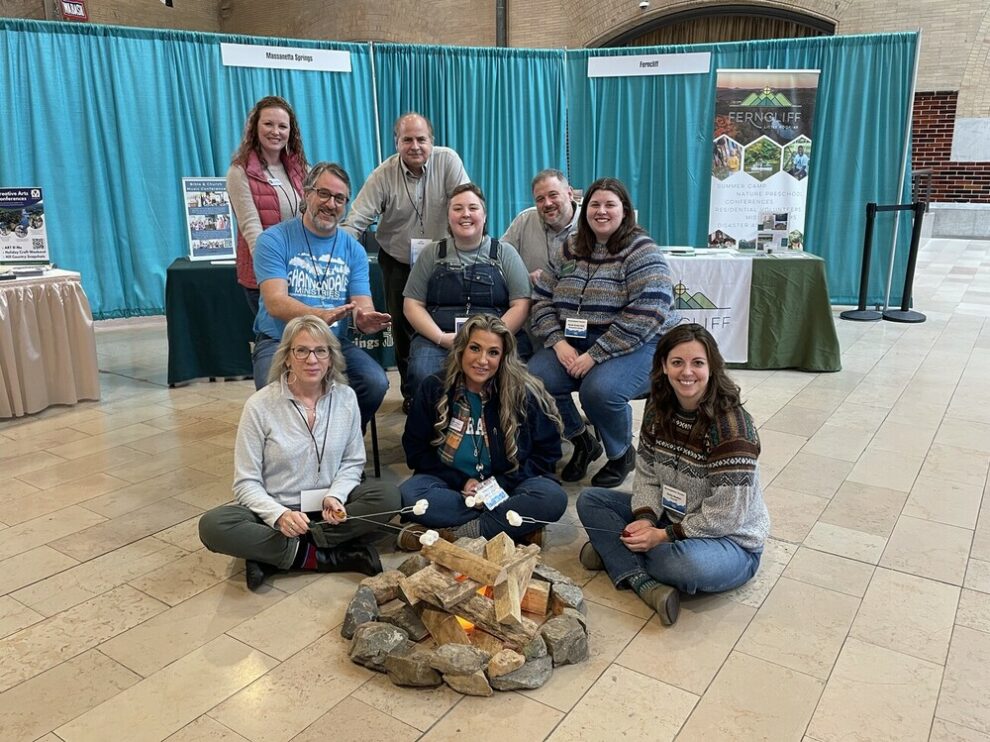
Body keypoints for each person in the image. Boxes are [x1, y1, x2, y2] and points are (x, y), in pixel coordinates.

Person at [576, 324, 770, 625]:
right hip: (670, 516)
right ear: (664, 366)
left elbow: (726, 516)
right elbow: (646, 472)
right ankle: (644, 582)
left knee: (682, 564)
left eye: (698, 363)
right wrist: (645, 519)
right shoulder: (658, 406)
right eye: (677, 362)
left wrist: (663, 536)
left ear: (712, 367)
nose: (687, 372)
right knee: (590, 500)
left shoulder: (732, 428)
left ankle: (613, 551)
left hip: (729, 541)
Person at [199, 316, 401, 591]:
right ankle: (328, 555)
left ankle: (277, 554)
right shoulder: (259, 406)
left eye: (320, 351)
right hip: (278, 509)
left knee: (388, 496)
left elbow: (353, 462)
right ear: (286, 357)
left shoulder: (346, 397)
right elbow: (246, 483)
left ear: (331, 357)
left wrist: (336, 495)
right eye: (302, 350)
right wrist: (279, 515)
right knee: (213, 526)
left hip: (327, 508)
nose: (312, 359)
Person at [528, 177, 678, 488]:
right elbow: (542, 297)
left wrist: (596, 355)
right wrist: (558, 342)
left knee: (599, 391)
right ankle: (582, 440)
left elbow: (648, 313)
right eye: (595, 204)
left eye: (610, 204)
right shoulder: (569, 248)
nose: (601, 211)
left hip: (639, 342)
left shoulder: (642, 251)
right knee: (533, 380)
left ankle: (621, 453)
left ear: (625, 210)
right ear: (584, 210)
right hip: (573, 340)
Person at [397, 314, 567, 549]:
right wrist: (463, 482)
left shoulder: (523, 392)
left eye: (493, 352)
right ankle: (511, 527)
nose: (482, 360)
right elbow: (416, 451)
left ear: (503, 357)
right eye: (475, 348)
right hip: (453, 487)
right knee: (409, 494)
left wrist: (498, 485)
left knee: (551, 498)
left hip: (508, 487)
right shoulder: (433, 388)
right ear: (461, 349)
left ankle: (454, 534)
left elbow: (548, 454)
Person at [341, 113, 470, 412]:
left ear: (432, 141)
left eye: (421, 139)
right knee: (401, 327)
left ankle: (454, 388)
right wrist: (335, 251)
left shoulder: (448, 161)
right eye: (407, 139)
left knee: (447, 320)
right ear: (396, 142)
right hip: (398, 260)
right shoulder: (383, 175)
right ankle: (412, 393)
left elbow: (466, 203)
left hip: (443, 259)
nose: (415, 146)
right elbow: (356, 219)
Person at [252, 162, 391, 432]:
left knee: (375, 382)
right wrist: (320, 315)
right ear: (307, 194)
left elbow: (362, 304)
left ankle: (338, 439)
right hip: (280, 341)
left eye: (340, 198)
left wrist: (364, 319)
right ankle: (295, 449)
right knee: (272, 394)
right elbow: (275, 302)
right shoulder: (273, 239)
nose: (331, 204)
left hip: (332, 343)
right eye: (324, 194)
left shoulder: (353, 250)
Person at [403, 183, 531, 392]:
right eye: (457, 208)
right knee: (423, 374)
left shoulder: (505, 253)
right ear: (448, 216)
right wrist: (441, 338)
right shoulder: (431, 254)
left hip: (495, 339)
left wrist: (491, 339)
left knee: (514, 377)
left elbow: (521, 305)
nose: (465, 214)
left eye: (473, 208)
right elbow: (412, 305)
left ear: (484, 215)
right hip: (440, 339)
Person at [227, 96, 308, 315]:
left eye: (282, 126)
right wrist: (275, 276)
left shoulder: (301, 169)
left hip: (301, 274)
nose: (276, 131)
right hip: (266, 278)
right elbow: (252, 229)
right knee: (276, 335)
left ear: (291, 131)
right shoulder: (239, 172)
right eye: (268, 124)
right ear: (255, 127)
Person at [501, 169, 580, 286]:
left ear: (570, 194)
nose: (547, 203)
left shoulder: (590, 223)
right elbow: (497, 262)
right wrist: (524, 279)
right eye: (540, 199)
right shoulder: (524, 221)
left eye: (553, 195)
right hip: (532, 297)